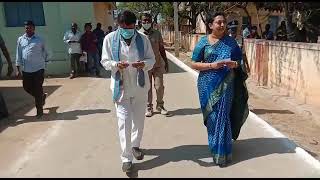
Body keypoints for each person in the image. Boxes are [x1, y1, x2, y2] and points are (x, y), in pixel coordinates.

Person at [191, 12, 249, 167]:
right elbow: (194, 63)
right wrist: (212, 65)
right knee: (212, 118)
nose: (222, 25)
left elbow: (240, 62)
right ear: (211, 25)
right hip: (206, 86)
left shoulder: (231, 43)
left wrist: (235, 65)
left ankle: (223, 152)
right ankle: (215, 146)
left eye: (224, 22)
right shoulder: (203, 42)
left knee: (223, 117)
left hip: (226, 85)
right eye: (219, 22)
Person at [100, 10, 155, 173]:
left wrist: (143, 64)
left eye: (130, 26)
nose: (127, 29)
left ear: (134, 25)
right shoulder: (109, 39)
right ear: (118, 25)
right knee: (124, 121)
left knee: (139, 119)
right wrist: (116, 65)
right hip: (121, 85)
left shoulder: (143, 39)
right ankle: (126, 158)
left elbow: (151, 59)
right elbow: (104, 61)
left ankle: (135, 145)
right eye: (123, 26)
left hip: (139, 86)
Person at [16, 20, 48, 119]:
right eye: (26, 28)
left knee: (38, 89)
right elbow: (19, 54)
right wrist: (18, 68)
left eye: (30, 28)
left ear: (34, 28)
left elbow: (46, 52)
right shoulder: (21, 39)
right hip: (26, 70)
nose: (28, 29)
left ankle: (39, 111)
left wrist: (45, 63)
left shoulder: (40, 39)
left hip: (38, 69)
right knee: (26, 87)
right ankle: (41, 97)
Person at [139, 13, 169, 117]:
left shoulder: (157, 33)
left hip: (157, 65)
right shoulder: (138, 35)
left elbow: (161, 48)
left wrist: (166, 61)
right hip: (145, 66)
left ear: (151, 21)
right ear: (141, 22)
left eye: (148, 20)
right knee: (147, 87)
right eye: (144, 21)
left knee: (159, 86)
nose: (146, 22)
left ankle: (160, 106)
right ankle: (149, 107)